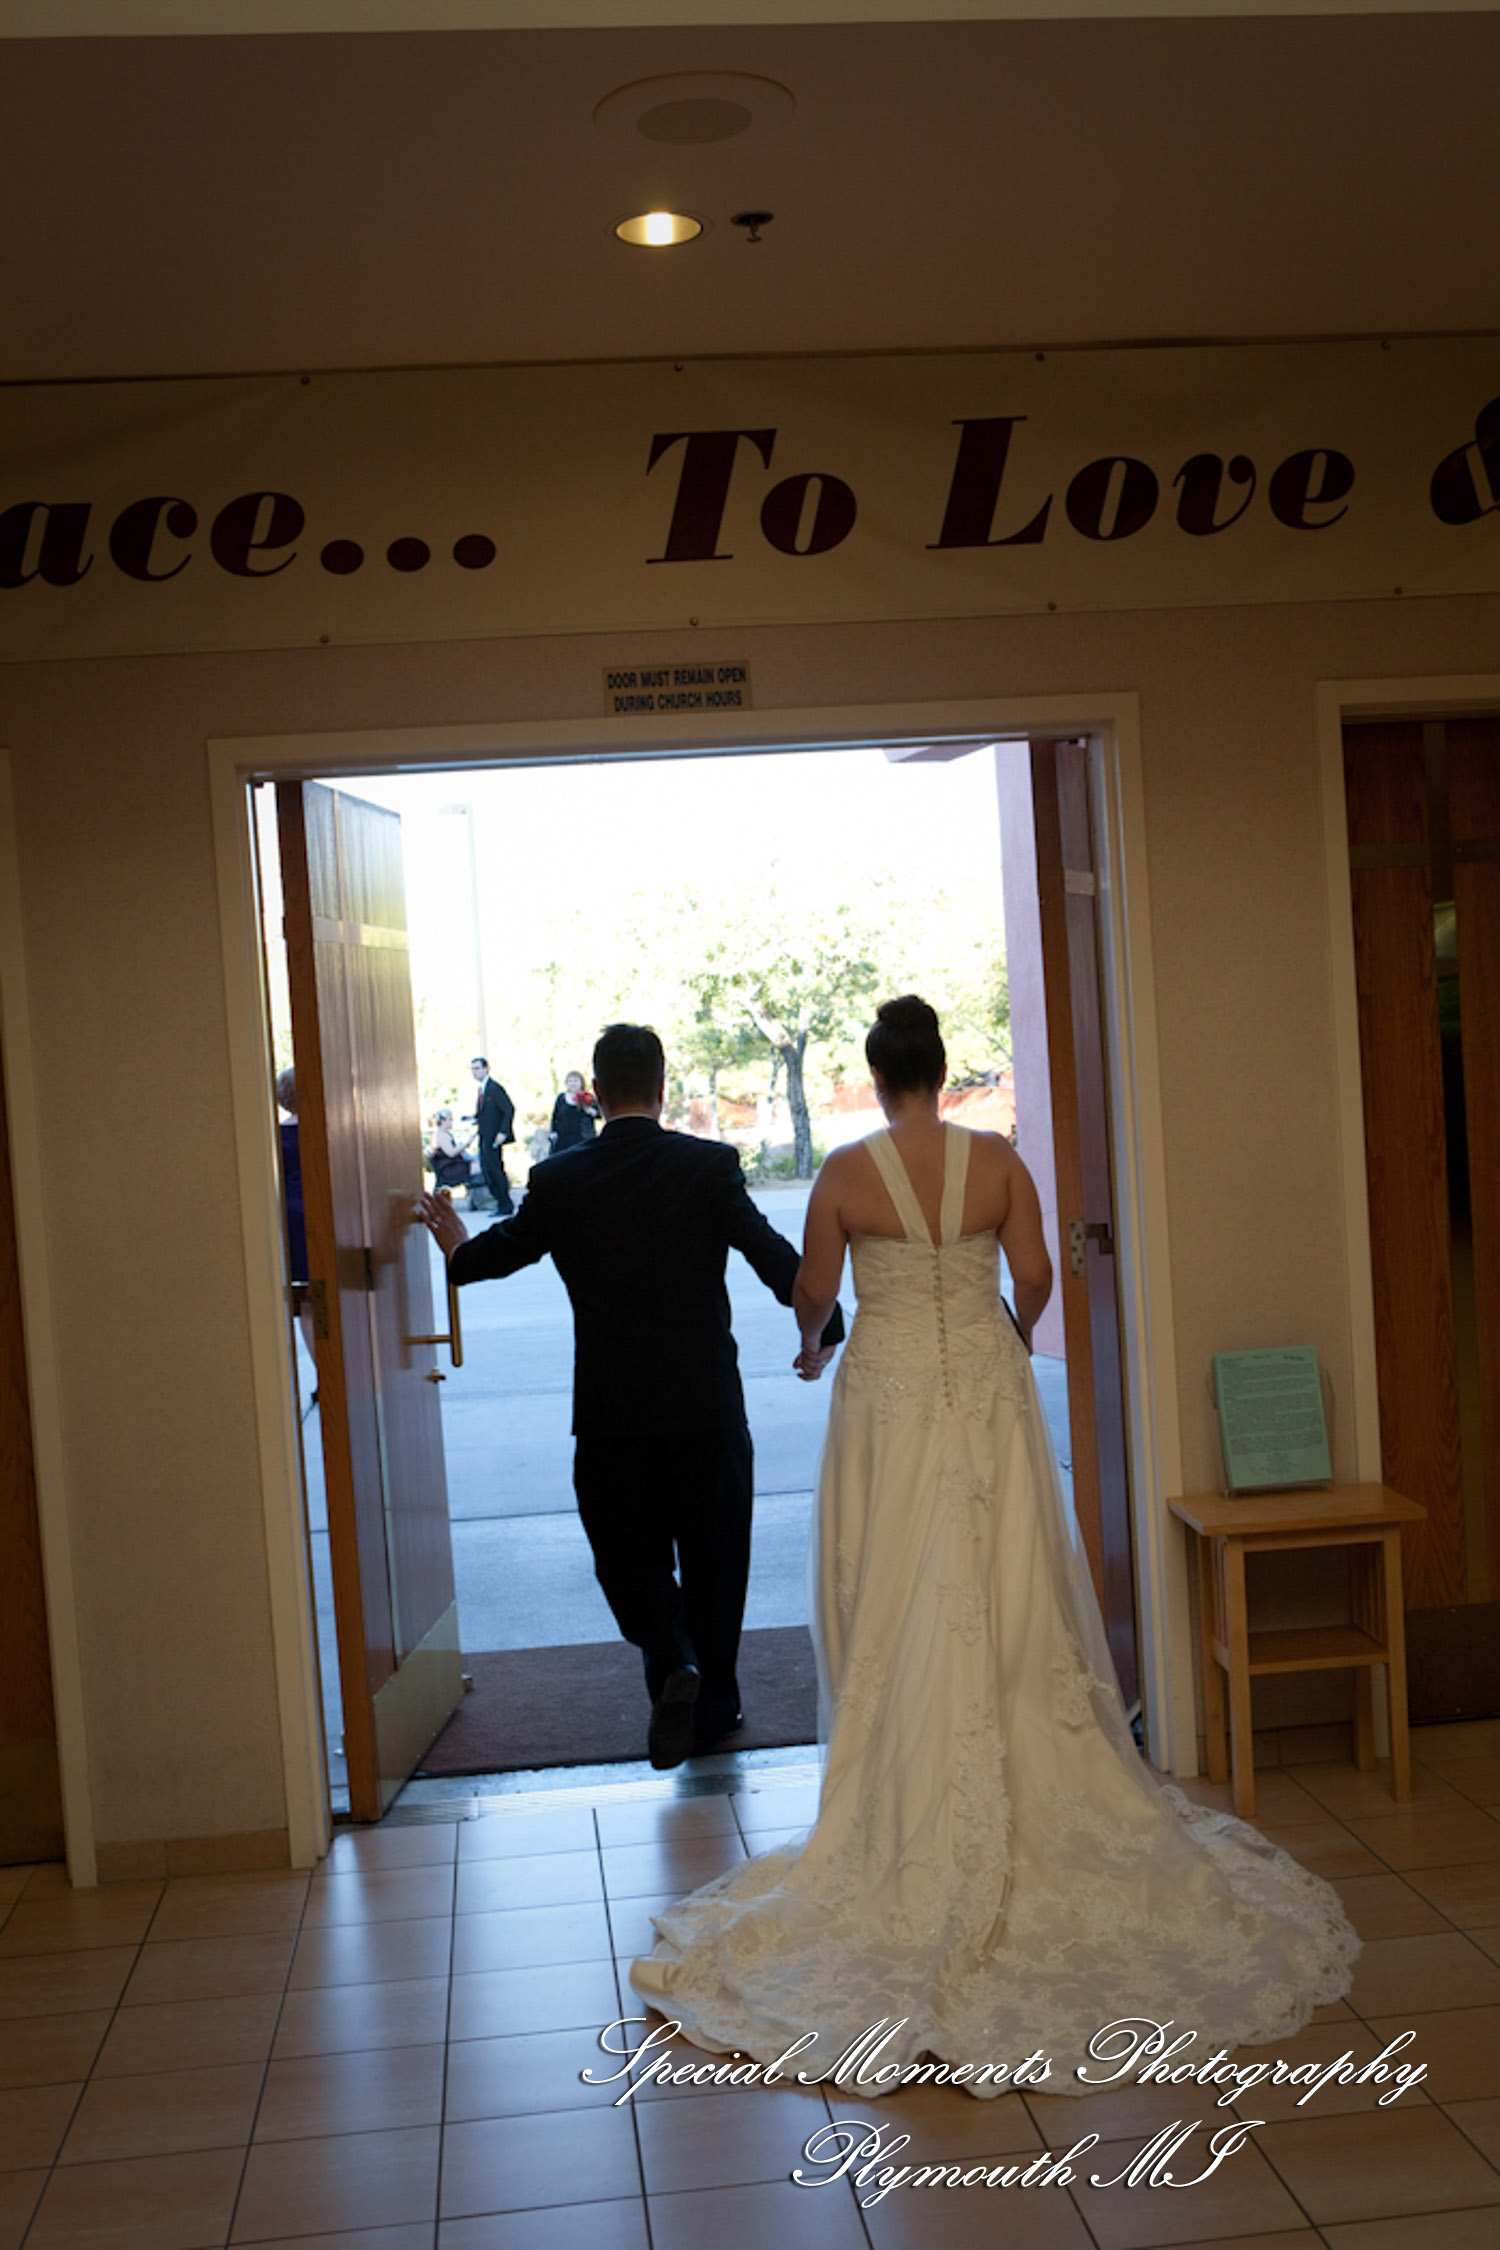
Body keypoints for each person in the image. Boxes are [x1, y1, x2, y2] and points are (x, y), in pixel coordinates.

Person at [628, 996, 1358, 2090]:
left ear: (879, 1074)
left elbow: (815, 1289)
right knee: (1006, 1574)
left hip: (889, 1393)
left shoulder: (848, 1171)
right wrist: (1006, 1329)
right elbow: (1038, 1276)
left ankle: (900, 1797)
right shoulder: (999, 1160)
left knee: (892, 1578)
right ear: (940, 1068)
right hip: (983, 1382)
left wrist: (814, 1345)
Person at [421, 1022, 845, 1768]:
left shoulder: (561, 1179)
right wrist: (823, 1328)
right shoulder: (708, 1166)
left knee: (627, 1560)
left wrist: (456, 1250)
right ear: (660, 1086)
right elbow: (774, 1258)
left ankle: (670, 1659)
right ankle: (713, 1708)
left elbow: (497, 1255)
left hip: (613, 1416)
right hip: (707, 1407)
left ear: (596, 1090)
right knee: (716, 1565)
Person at [469, 1055, 516, 1214]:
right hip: (484, 1136)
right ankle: (500, 1202)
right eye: (473, 1069)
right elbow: (485, 1112)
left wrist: (503, 1132)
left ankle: (505, 1204)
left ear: (486, 1069)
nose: (475, 1072)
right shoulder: (482, 1089)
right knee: (487, 1169)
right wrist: (474, 1118)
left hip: (494, 1137)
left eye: (477, 1068)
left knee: (495, 1170)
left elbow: (508, 1109)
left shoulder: (494, 1088)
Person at [549, 1068, 599, 1153]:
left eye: (576, 1081)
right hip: (564, 1138)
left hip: (583, 1137)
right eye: (570, 1081)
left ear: (581, 1083)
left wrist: (588, 1109)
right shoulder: (561, 1098)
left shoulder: (588, 1097)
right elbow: (555, 1117)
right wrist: (553, 1132)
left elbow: (598, 1114)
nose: (573, 1084)